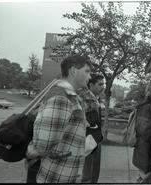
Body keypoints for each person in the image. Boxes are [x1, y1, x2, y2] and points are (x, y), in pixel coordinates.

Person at [26, 55, 92, 183]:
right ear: (73, 71)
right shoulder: (62, 97)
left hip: (59, 174)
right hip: (51, 175)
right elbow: (43, 143)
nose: (90, 77)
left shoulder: (70, 96)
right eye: (87, 71)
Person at [77, 73, 105, 183]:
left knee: (93, 172)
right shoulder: (87, 99)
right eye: (100, 84)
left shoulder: (94, 99)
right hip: (88, 140)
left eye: (104, 84)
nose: (103, 87)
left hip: (95, 140)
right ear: (91, 85)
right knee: (89, 174)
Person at [132, 81, 151, 183]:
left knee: (143, 177)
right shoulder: (147, 107)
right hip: (145, 151)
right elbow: (146, 131)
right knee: (146, 178)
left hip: (145, 150)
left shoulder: (150, 106)